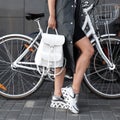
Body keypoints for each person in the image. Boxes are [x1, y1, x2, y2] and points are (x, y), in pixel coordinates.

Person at [46, 0, 94, 114]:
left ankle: (57, 95)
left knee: (62, 56)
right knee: (88, 50)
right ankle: (73, 91)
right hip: (63, 20)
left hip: (69, 20)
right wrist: (52, 16)